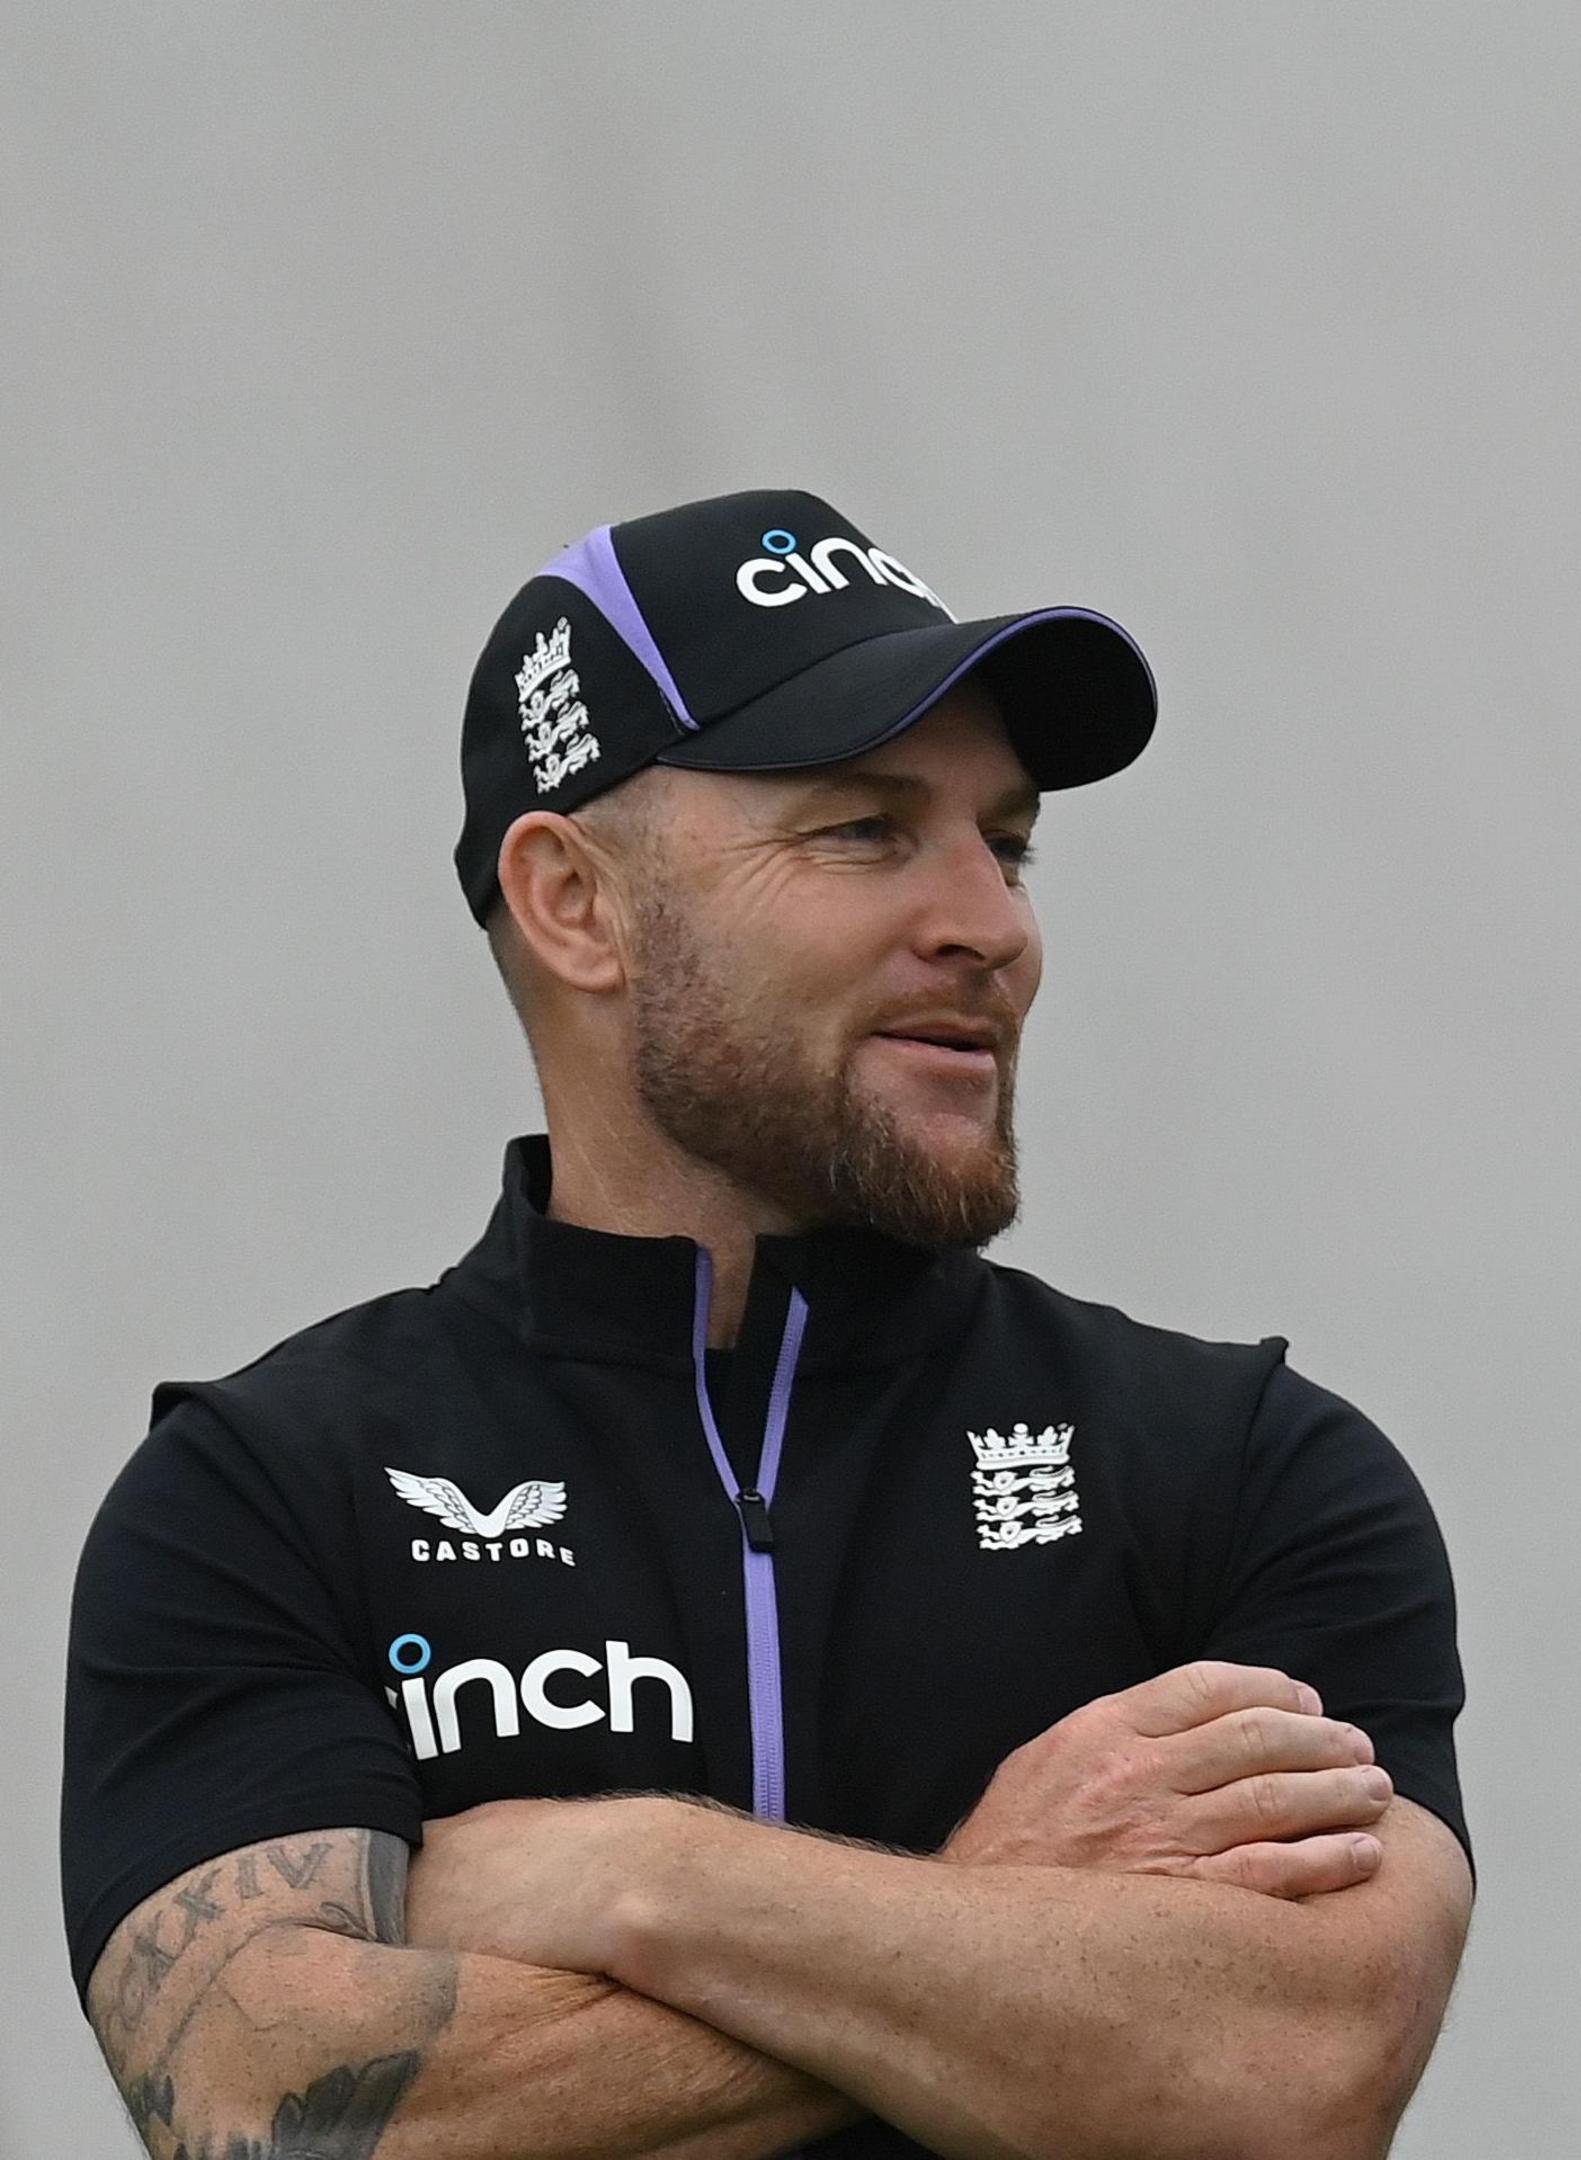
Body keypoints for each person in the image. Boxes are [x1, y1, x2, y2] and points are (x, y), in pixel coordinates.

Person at [65, 488, 1472, 2159]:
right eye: (865, 831)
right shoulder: (264, 1495)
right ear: (575, 902)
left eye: (1005, 842)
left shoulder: (1240, 1465)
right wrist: (999, 1915)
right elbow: (272, 2111)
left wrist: (635, 1880)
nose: (995, 928)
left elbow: (1294, 2070)